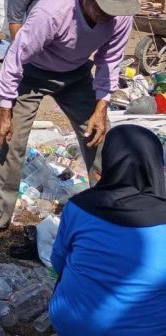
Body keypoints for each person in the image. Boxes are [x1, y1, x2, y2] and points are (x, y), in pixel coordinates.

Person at [0, 0, 138, 246]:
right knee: (10, 141)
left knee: (100, 138)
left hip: (76, 74)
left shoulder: (119, 15)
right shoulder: (53, 11)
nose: (109, 16)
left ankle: (108, 211)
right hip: (32, 72)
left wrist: (101, 107)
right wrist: (4, 110)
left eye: (115, 9)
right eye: (103, 8)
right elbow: (16, 57)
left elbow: (108, 61)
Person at [49, 124, 166, 336]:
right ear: (156, 163)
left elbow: (58, 263)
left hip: (73, 324)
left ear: (109, 160)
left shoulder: (78, 206)